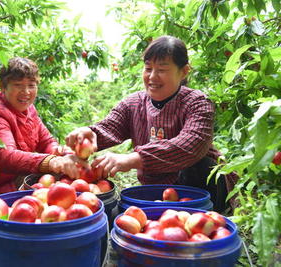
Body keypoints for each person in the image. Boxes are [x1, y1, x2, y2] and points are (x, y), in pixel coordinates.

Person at [66, 36, 238, 212]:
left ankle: (209, 211)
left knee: (199, 165)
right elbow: (110, 127)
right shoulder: (133, 104)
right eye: (148, 68)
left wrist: (133, 159)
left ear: (184, 71)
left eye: (162, 70)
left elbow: (191, 145)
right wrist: (89, 134)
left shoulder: (198, 103)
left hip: (200, 188)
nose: (152, 76)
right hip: (156, 191)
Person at [0, 57, 80, 217]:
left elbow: (46, 141)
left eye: (31, 86)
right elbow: (5, 156)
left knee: (55, 181)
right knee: (36, 202)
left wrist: (62, 153)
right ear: (3, 87)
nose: (26, 92)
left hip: (9, 181)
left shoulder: (28, 110)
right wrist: (51, 161)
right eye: (18, 85)